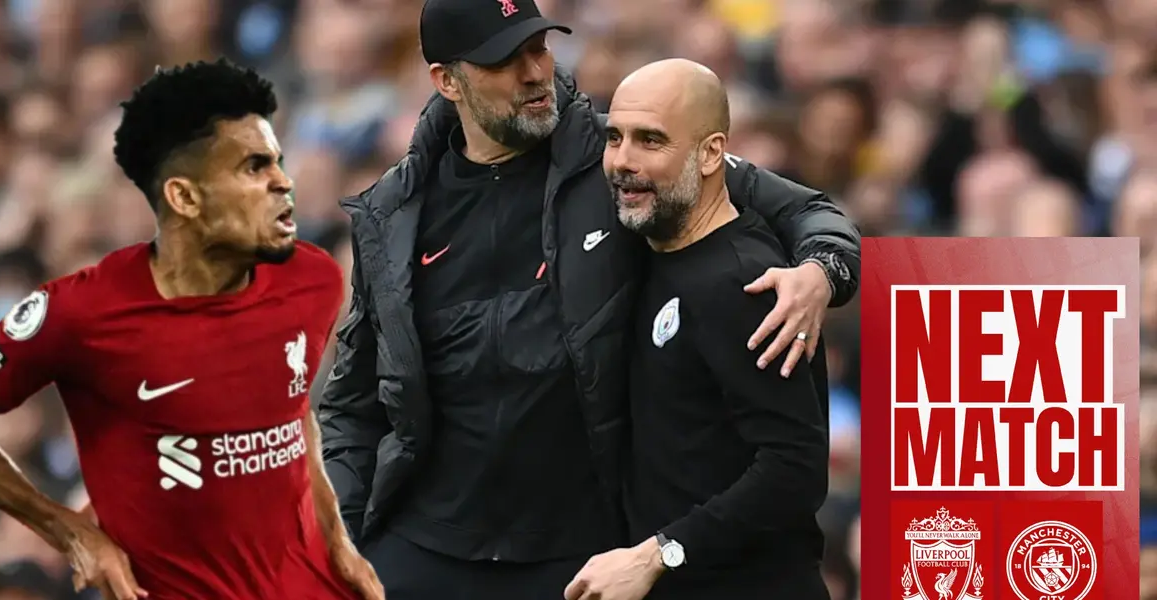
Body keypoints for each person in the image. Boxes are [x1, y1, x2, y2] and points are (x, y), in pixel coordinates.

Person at [318, 0, 858, 597]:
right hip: (429, 542)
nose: (534, 72)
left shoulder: (624, 156)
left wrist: (822, 270)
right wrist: (338, 532)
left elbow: (804, 208)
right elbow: (354, 403)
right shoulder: (394, 212)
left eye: (539, 47)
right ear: (448, 81)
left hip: (578, 553)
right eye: (505, 60)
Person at [0, 59, 383, 600]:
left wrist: (337, 539)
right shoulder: (83, 313)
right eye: (254, 167)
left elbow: (292, 410)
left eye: (277, 160)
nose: (283, 180)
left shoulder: (313, 279)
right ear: (184, 198)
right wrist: (69, 532)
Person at [564, 59, 830, 600]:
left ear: (712, 153)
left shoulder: (744, 284)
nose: (622, 161)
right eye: (614, 137)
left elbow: (794, 469)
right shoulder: (646, 250)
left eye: (650, 141)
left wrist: (661, 552)